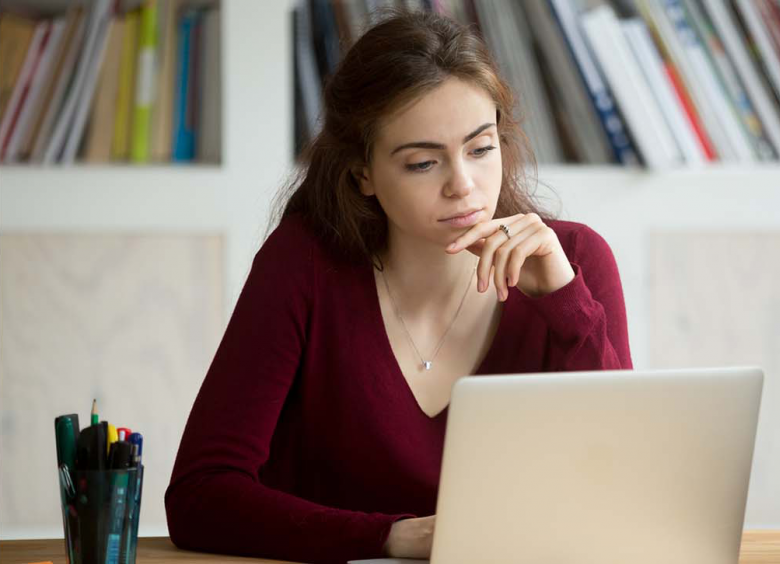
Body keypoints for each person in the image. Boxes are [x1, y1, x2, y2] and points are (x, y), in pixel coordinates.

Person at [164, 9, 631, 563]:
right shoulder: (303, 266)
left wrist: (565, 301)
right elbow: (200, 496)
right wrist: (389, 536)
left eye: (481, 149)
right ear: (363, 172)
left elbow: (618, 491)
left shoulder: (573, 261)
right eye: (422, 163)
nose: (463, 185)